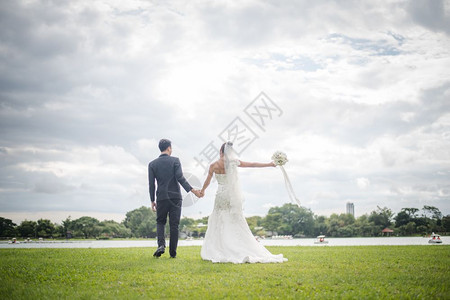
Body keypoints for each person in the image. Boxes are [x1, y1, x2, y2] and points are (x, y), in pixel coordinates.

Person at [199, 142, 287, 264]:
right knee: (234, 219)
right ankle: (236, 245)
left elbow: (207, 181)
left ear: (220, 151)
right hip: (231, 195)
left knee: (219, 219)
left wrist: (202, 191)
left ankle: (221, 247)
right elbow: (253, 164)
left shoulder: (213, 165)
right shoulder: (234, 162)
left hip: (220, 194)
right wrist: (269, 164)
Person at [148, 139, 201, 258]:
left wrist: (152, 200)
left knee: (160, 222)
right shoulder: (175, 161)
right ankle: (173, 253)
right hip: (175, 197)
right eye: (171, 148)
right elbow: (180, 178)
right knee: (174, 225)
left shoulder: (152, 164)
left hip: (161, 197)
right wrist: (193, 191)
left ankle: (161, 245)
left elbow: (152, 184)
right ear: (168, 148)